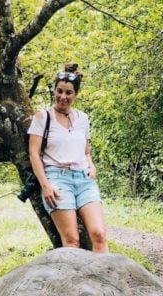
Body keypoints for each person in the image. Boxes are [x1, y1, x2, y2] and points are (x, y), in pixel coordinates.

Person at [27, 63, 108, 253]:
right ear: (54, 91)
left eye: (68, 93)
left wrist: (91, 166)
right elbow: (34, 153)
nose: (63, 97)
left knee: (99, 235)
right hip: (57, 179)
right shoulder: (42, 117)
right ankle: (76, 283)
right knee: (72, 241)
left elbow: (86, 150)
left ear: (75, 95)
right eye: (59, 91)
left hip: (84, 180)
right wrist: (46, 186)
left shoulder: (83, 118)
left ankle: (102, 282)